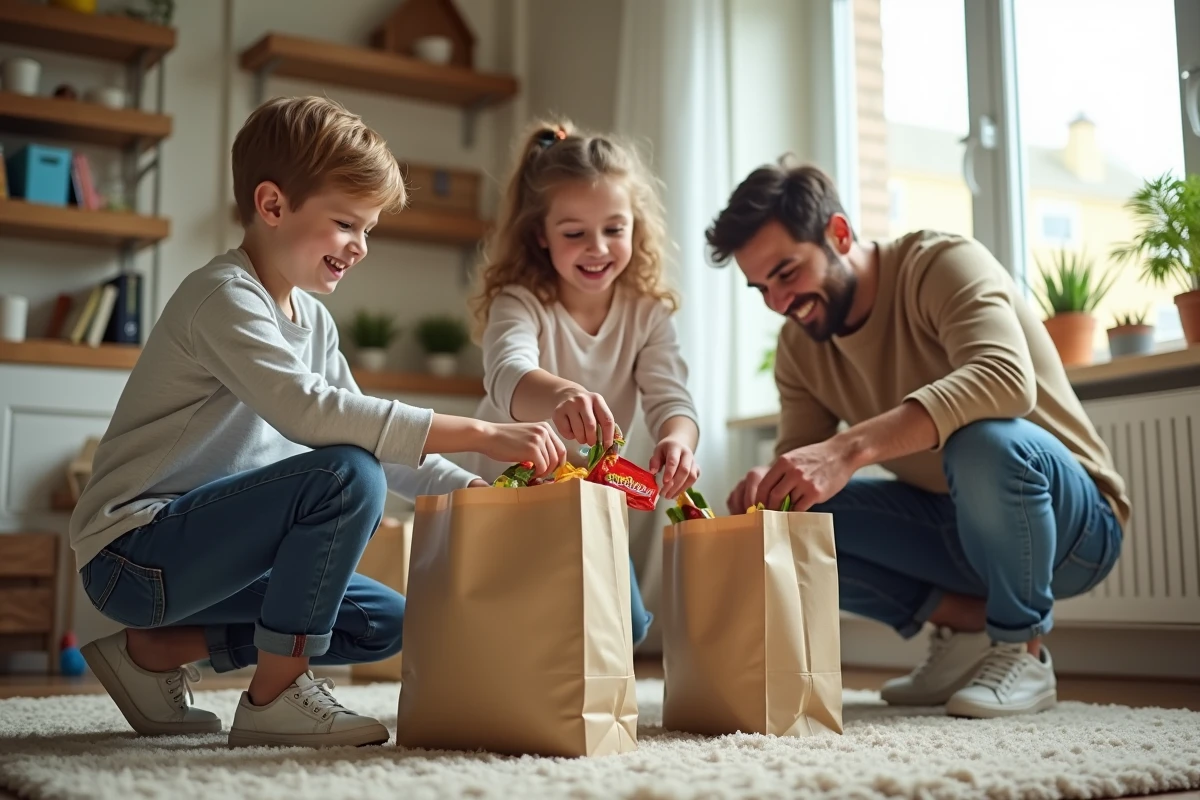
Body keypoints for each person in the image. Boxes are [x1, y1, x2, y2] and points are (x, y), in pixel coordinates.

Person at [69, 96, 565, 748]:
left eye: (369, 229)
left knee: (385, 622)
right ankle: (275, 697)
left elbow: (378, 445)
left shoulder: (315, 322)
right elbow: (311, 412)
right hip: (134, 556)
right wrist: (482, 434)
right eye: (346, 224)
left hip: (208, 560)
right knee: (345, 477)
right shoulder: (223, 296)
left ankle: (151, 654)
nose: (360, 247)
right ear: (273, 205)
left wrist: (476, 493)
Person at [707, 160, 1128, 719]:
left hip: (1073, 528)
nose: (779, 302)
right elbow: (806, 463)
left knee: (982, 440)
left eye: (787, 273)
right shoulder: (799, 347)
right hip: (955, 530)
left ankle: (1021, 649)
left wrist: (848, 449)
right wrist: (772, 485)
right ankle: (969, 630)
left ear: (839, 234)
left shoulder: (941, 264)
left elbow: (1005, 378)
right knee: (789, 521)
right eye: (761, 288)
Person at [460, 119, 702, 648]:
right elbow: (506, 374)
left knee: (627, 626)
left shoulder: (648, 314)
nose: (597, 248)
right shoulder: (521, 302)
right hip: (504, 492)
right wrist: (562, 394)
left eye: (614, 229)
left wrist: (677, 442)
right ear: (541, 236)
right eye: (574, 234)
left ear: (636, 227)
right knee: (507, 618)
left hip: (588, 500)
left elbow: (672, 399)